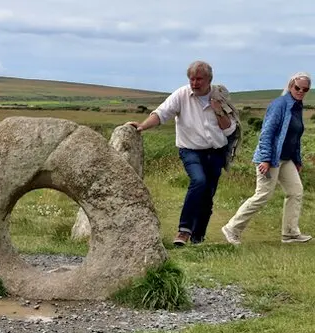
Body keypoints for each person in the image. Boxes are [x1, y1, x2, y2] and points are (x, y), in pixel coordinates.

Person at [128, 60, 238, 246]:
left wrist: (218, 111)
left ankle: (198, 238)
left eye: (199, 79)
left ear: (209, 79)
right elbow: (161, 113)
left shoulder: (220, 97)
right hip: (190, 151)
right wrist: (142, 126)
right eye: (191, 79)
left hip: (216, 153)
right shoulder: (181, 95)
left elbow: (228, 130)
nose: (194, 83)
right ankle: (183, 231)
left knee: (207, 196)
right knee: (199, 182)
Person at [221, 72, 312, 245]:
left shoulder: (298, 107)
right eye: (297, 87)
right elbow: (267, 133)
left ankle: (290, 233)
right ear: (290, 85)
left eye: (305, 89)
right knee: (263, 195)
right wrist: (265, 158)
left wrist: (297, 160)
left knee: (295, 191)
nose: (300, 91)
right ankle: (232, 228)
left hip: (286, 159)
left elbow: (295, 136)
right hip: (270, 159)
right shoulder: (279, 105)